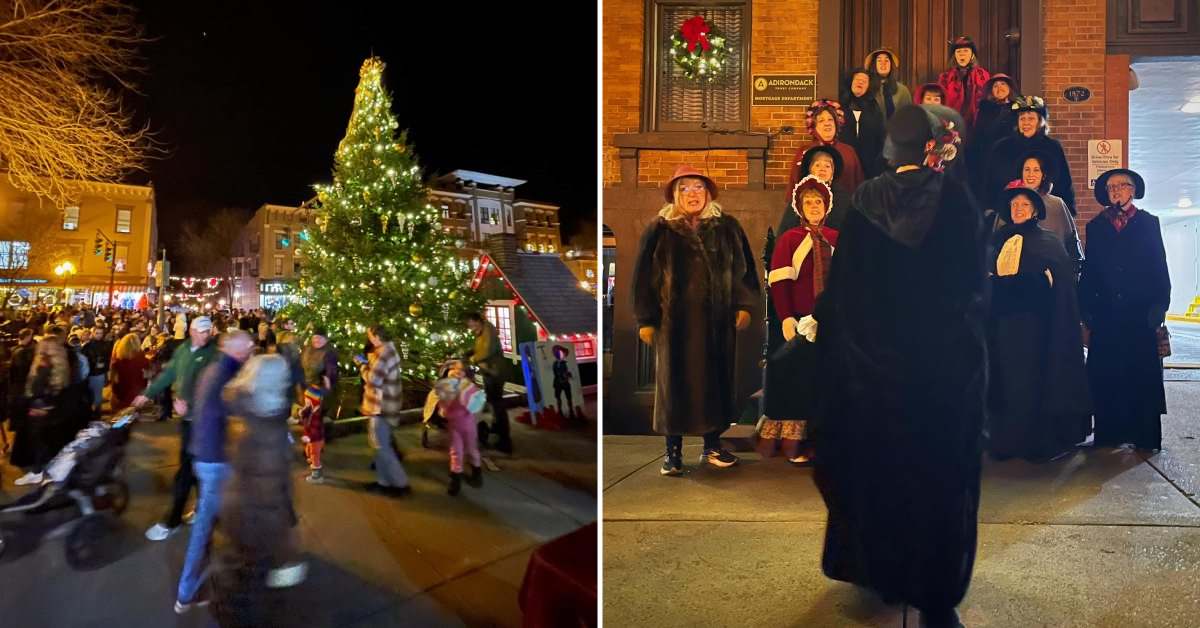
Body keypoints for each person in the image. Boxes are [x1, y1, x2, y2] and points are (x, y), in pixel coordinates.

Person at [812, 105, 986, 628]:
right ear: (933, 146)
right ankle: (936, 596)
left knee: (877, 467)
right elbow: (973, 290)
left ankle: (880, 571)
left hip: (873, 370)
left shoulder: (864, 200)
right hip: (940, 372)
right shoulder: (956, 199)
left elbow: (843, 292)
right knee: (939, 474)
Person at [632, 164, 760, 475]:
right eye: (685, 188)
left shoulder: (726, 226)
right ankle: (672, 452)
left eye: (698, 187)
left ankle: (712, 446)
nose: (693, 194)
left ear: (709, 193)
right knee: (674, 385)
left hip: (716, 322)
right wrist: (646, 319)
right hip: (674, 323)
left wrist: (742, 304)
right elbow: (643, 277)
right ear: (675, 194)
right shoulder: (660, 229)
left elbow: (744, 268)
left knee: (715, 381)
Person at [987, 187, 1092, 461]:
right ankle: (1006, 442)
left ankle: (1035, 442)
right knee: (1006, 383)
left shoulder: (1048, 241)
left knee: (1033, 382)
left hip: (1037, 329)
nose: (1018, 208)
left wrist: (1007, 285)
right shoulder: (995, 240)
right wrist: (1023, 283)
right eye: (1014, 204)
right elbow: (984, 282)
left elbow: (1057, 286)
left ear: (1035, 210)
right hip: (1002, 327)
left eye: (1024, 204)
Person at [210, 354, 308, 627]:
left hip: (235, 499)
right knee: (256, 569)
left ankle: (230, 597)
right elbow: (271, 492)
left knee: (242, 560)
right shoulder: (269, 427)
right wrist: (286, 543)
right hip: (255, 514)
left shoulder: (245, 405)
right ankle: (237, 608)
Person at [1079, 168, 1170, 451]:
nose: (1116, 190)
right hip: (1106, 316)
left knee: (1141, 377)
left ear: (1133, 190)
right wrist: (1088, 310)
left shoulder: (1148, 223)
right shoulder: (1096, 226)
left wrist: (1158, 309)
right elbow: (1090, 270)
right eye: (1110, 188)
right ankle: (1110, 433)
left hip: (1139, 315)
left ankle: (1144, 436)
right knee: (1108, 376)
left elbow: (1159, 268)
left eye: (1122, 185)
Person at [173, 329, 255, 614]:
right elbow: (234, 413)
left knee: (218, 517)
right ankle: (188, 589)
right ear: (237, 350)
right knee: (206, 523)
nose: (252, 352)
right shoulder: (228, 376)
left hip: (205, 454)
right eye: (249, 348)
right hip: (215, 460)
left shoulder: (213, 370)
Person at [760, 175, 838, 465]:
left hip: (832, 324)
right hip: (801, 322)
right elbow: (780, 282)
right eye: (809, 202)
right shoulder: (790, 239)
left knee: (828, 382)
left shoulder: (835, 238)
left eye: (819, 201)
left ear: (827, 206)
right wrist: (786, 318)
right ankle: (800, 442)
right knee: (802, 380)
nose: (814, 206)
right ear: (799, 207)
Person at [133, 316, 219, 542]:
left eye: (208, 331)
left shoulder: (212, 355)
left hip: (201, 422)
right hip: (188, 421)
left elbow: (214, 387)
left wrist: (190, 404)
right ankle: (205, 511)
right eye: (201, 331)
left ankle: (172, 520)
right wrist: (147, 394)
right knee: (196, 468)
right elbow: (169, 374)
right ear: (191, 330)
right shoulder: (183, 350)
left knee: (186, 471)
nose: (205, 334)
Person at [985, 95, 1076, 216]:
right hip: (1008, 213)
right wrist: (989, 210)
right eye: (1022, 118)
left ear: (1040, 122)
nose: (1026, 123)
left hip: (1046, 213)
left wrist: (1068, 211)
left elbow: (1064, 183)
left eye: (1031, 118)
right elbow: (990, 183)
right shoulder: (1001, 147)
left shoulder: (1053, 147)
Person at [1004, 152, 1083, 270]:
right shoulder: (1010, 201)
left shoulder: (1056, 204)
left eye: (1036, 170)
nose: (1031, 174)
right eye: (1027, 170)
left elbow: (1071, 242)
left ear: (1043, 175)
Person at [11, 338, 72, 486]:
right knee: (43, 440)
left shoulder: (44, 366)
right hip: (49, 408)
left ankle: (37, 473)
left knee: (36, 441)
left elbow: (36, 390)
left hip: (38, 408)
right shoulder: (61, 366)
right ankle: (48, 468)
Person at [358, 324, 410, 496]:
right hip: (384, 404)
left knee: (381, 446)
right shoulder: (387, 351)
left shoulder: (385, 354)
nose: (369, 339)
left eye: (370, 336)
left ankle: (400, 483)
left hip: (381, 405)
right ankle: (384, 482)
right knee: (379, 444)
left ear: (377, 337)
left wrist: (362, 366)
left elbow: (374, 380)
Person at [433, 359, 487, 496]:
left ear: (465, 373)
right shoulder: (446, 386)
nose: (456, 371)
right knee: (455, 451)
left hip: (467, 424)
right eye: (453, 368)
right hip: (454, 425)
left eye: (460, 369)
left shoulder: (467, 386)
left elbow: (476, 402)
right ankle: (455, 480)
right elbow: (442, 404)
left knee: (471, 449)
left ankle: (476, 474)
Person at [789, 100, 866, 194]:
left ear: (836, 124)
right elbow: (793, 188)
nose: (827, 123)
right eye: (821, 120)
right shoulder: (803, 153)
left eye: (830, 119)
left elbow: (860, 187)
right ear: (813, 126)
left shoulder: (849, 152)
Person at [967, 73, 1020, 199]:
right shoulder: (985, 109)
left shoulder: (1018, 109)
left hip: (1010, 159)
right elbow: (979, 136)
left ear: (1010, 88)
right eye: (995, 85)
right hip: (989, 160)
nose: (999, 88)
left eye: (1003, 84)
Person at [467, 311, 513, 454]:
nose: (471, 328)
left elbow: (487, 351)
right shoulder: (482, 332)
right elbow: (479, 349)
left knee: (497, 403)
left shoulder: (488, 331)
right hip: (489, 371)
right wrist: (469, 352)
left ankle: (505, 440)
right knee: (493, 400)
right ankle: (497, 427)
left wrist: (472, 358)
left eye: (472, 324)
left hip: (495, 372)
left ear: (478, 321)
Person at [780, 145, 851, 232]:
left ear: (833, 172)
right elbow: (787, 228)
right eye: (817, 165)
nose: (822, 169)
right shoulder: (800, 194)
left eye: (827, 166)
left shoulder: (843, 197)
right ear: (810, 170)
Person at [299, 327, 338, 483]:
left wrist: (327, 380)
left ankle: (316, 462)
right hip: (309, 391)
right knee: (310, 424)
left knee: (314, 426)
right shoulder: (308, 349)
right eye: (314, 338)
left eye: (320, 339)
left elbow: (331, 371)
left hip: (319, 393)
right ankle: (312, 454)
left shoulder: (329, 353)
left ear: (326, 339)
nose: (316, 341)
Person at [839, 68, 886, 178]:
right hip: (845, 163)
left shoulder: (874, 108)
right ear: (851, 82)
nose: (860, 82)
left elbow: (880, 136)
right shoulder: (841, 105)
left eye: (864, 81)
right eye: (857, 79)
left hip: (869, 165)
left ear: (868, 86)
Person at [936, 36, 990, 131]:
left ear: (972, 55)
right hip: (952, 127)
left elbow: (986, 100)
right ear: (954, 55)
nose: (962, 54)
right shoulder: (945, 77)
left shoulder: (982, 75)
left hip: (977, 126)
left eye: (965, 51)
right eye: (958, 52)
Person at [863, 48, 911, 120]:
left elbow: (908, 116)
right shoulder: (866, 88)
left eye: (886, 60)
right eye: (879, 60)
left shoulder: (902, 90)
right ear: (874, 65)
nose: (883, 63)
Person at [109, 333, 150, 412]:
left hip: (122, 394)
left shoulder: (117, 362)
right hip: (137, 393)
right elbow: (147, 377)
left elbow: (114, 380)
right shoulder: (143, 359)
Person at [81, 326, 113, 418]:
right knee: (89, 396)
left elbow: (108, 359)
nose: (99, 335)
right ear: (93, 333)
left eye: (101, 333)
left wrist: (104, 368)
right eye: (97, 333)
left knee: (97, 397)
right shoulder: (87, 346)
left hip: (98, 374)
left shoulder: (105, 345)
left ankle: (96, 415)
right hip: (88, 374)